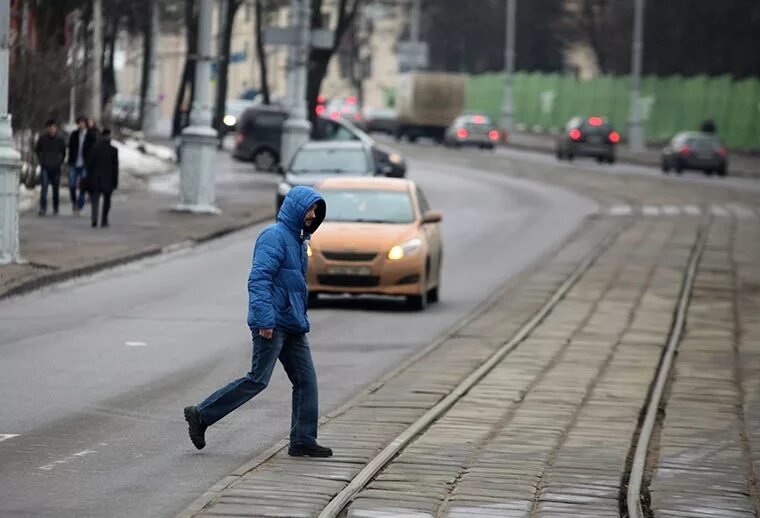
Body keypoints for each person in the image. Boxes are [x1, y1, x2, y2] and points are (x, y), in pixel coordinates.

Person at [184, 186, 332, 458]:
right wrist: (265, 319)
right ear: (297, 209)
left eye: (315, 211)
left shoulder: (298, 242)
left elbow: (292, 286)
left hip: (292, 323)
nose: (313, 215)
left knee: (306, 380)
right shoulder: (273, 237)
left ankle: (302, 439)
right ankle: (201, 415)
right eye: (310, 209)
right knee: (258, 379)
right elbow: (259, 280)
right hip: (272, 323)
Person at [86, 128, 119, 228]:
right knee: (107, 201)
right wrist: (115, 182)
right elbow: (115, 167)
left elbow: (89, 165)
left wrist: (89, 178)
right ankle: (104, 220)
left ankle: (94, 219)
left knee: (95, 200)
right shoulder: (113, 150)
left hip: (95, 178)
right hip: (108, 179)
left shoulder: (95, 148)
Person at [35, 119, 66, 216]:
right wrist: (41, 160)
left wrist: (59, 162)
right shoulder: (43, 138)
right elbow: (37, 150)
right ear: (48, 128)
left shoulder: (60, 139)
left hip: (56, 167)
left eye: (54, 127)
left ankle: (55, 207)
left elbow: (63, 152)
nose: (52, 129)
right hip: (45, 166)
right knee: (44, 188)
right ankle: (43, 208)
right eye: (50, 128)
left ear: (56, 128)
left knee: (55, 189)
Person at [67, 116, 96, 215]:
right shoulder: (74, 135)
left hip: (85, 164)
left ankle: (79, 205)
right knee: (72, 184)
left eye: (83, 122)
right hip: (74, 163)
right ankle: (74, 202)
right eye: (79, 122)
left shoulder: (91, 136)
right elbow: (69, 148)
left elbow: (93, 151)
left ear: (86, 124)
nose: (81, 124)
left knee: (83, 186)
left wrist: (91, 163)